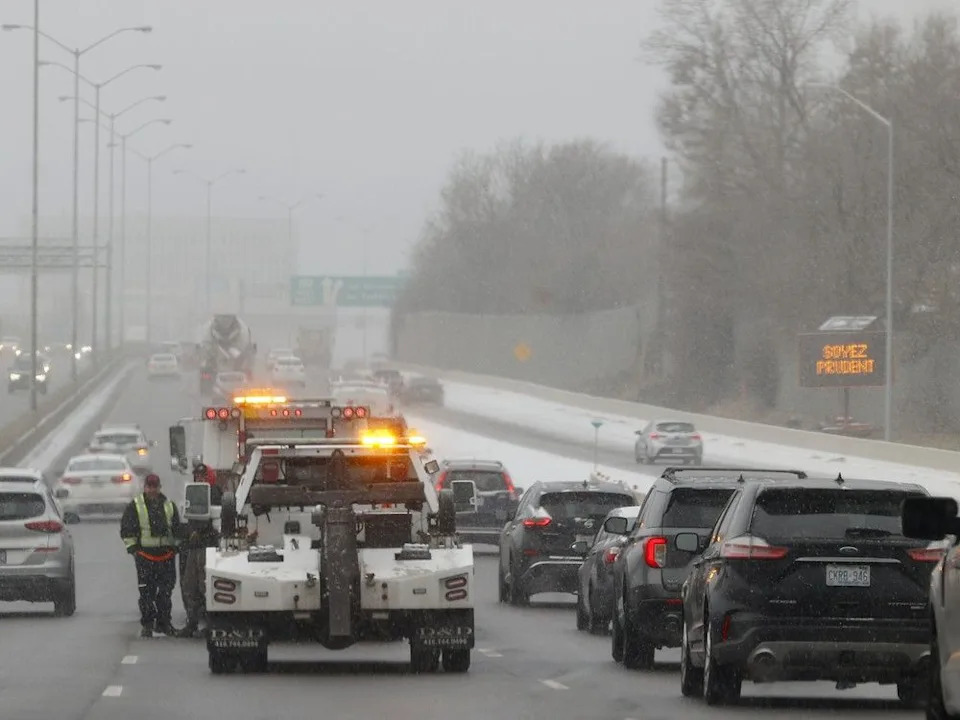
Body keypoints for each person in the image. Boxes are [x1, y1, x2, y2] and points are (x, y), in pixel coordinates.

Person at [120, 474, 182, 638]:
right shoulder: (135, 506)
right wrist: (134, 550)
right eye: (150, 487)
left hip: (166, 557)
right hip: (145, 557)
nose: (152, 490)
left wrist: (176, 548)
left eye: (155, 487)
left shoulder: (169, 506)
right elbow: (127, 530)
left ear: (160, 487)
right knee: (146, 593)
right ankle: (147, 624)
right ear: (145, 487)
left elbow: (177, 529)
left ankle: (164, 623)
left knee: (165, 592)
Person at [178, 461, 222, 638]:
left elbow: (214, 519)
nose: (200, 478)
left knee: (206, 586)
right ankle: (192, 622)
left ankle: (211, 624)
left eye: (203, 476)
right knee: (190, 586)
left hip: (208, 546)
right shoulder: (194, 493)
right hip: (194, 547)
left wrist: (201, 531)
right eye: (197, 476)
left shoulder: (215, 493)